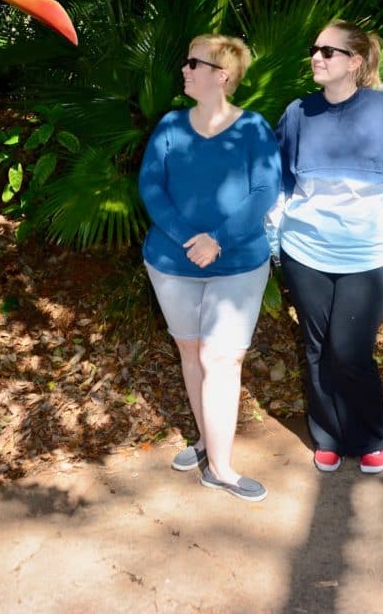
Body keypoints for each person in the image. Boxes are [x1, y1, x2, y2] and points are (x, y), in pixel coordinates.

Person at [267, 20, 383, 475]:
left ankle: (370, 435)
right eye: (314, 50)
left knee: (349, 350)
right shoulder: (298, 112)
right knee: (315, 348)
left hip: (367, 255)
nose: (316, 57)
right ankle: (328, 435)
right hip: (304, 250)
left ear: (354, 62)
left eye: (328, 52)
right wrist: (275, 237)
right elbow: (280, 181)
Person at [138, 34, 281, 502]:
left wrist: (217, 239)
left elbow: (264, 192)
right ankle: (206, 440)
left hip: (237, 263)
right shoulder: (171, 126)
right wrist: (186, 238)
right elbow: (151, 186)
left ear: (221, 76)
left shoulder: (254, 128)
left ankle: (220, 468)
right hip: (171, 262)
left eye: (193, 62)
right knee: (191, 352)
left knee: (221, 358)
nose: (184, 69)